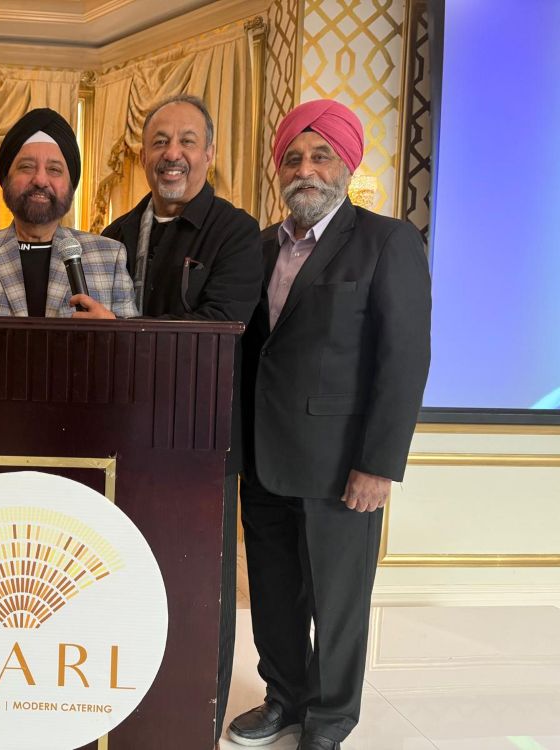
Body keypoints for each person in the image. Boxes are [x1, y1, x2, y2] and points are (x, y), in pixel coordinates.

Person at [229, 99, 431, 750]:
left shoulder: (386, 241)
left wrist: (379, 463)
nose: (305, 169)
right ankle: (284, 700)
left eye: (320, 156)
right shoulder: (259, 247)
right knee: (273, 594)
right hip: (263, 459)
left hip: (342, 465)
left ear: (346, 165)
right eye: (292, 158)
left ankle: (330, 719)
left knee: (337, 604)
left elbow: (404, 358)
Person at [102, 94, 263, 740]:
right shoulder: (115, 234)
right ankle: (129, 708)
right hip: (123, 443)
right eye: (160, 141)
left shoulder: (236, 233)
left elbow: (220, 329)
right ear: (143, 154)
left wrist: (121, 329)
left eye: (187, 141)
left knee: (200, 590)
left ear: (210, 153)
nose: (173, 154)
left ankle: (197, 720)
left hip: (202, 442)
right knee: (124, 578)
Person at [0, 107, 136, 319]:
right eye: (27, 167)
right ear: (6, 178)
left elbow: (132, 340)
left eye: (54, 169)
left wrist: (112, 331)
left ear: (70, 185)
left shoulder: (110, 256)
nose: (40, 180)